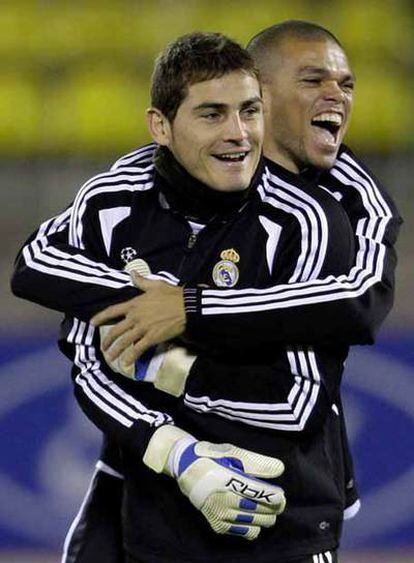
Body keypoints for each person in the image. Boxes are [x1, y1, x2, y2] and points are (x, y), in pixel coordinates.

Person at [11, 26, 401, 563]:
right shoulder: (130, 189)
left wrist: (182, 327)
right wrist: (174, 447)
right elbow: (61, 306)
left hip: (283, 497)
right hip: (146, 485)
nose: (336, 95)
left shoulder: (329, 210)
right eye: (313, 79)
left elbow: (352, 310)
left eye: (347, 83)